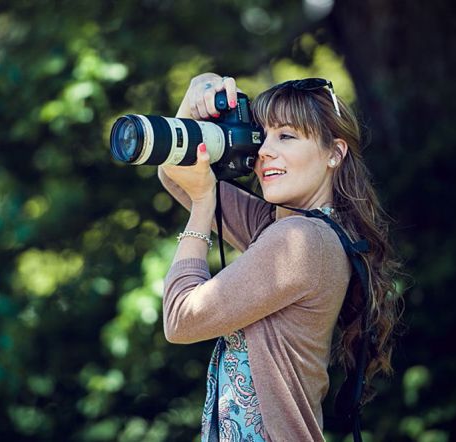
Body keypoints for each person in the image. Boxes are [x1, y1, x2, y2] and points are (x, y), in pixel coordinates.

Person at [158, 72, 402, 442]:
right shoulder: (288, 227)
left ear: (334, 153)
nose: (264, 151)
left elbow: (180, 319)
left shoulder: (301, 240)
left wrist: (204, 204)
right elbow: (175, 174)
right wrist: (191, 105)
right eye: (264, 136)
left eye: (286, 136)